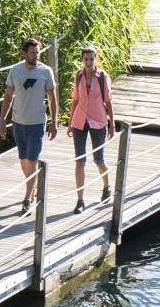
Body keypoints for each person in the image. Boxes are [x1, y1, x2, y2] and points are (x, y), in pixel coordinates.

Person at [0, 38, 57, 214]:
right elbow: (8, 96)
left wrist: (53, 122)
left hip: (37, 123)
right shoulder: (15, 71)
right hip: (18, 123)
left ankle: (27, 199)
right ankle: (33, 186)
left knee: (32, 159)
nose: (36, 55)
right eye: (32, 52)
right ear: (24, 54)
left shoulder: (46, 71)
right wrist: (2, 119)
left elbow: (52, 98)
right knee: (24, 160)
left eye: (38, 52)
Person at [67, 46, 114, 213]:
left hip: (98, 120)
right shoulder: (78, 75)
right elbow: (75, 100)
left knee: (98, 159)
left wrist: (112, 124)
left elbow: (108, 101)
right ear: (82, 59)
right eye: (86, 59)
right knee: (79, 161)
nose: (88, 62)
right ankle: (80, 200)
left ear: (96, 59)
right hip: (80, 120)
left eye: (91, 59)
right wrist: (70, 121)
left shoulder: (102, 77)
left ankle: (107, 187)